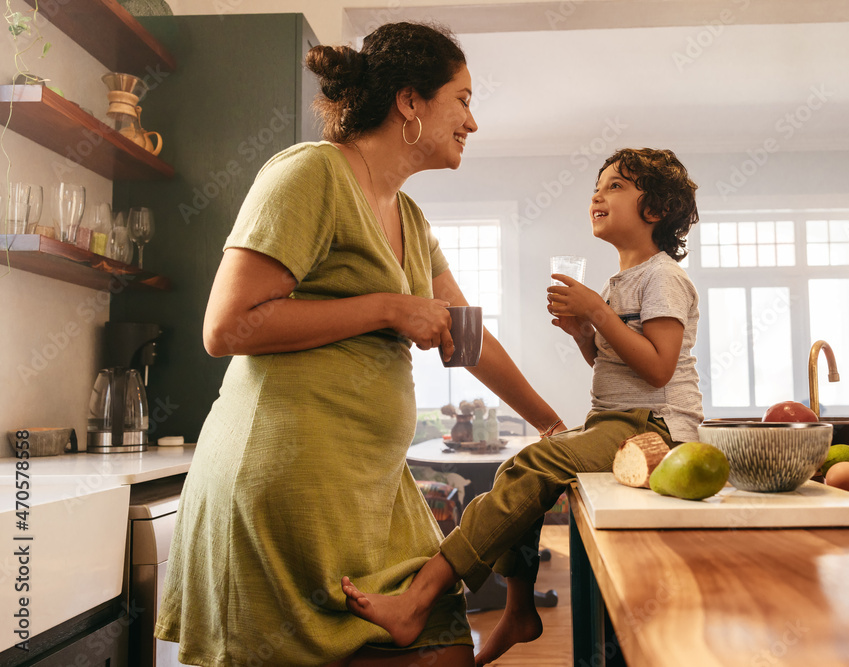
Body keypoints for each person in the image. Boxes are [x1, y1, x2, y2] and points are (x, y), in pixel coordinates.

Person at [154, 22, 564, 667]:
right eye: (462, 99)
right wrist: (387, 307)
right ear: (410, 100)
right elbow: (226, 327)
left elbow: (467, 338)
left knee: (444, 650)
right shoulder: (309, 173)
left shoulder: (410, 217)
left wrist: (549, 422)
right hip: (283, 481)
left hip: (370, 487)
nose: (472, 122)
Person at [342, 147, 705, 665]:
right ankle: (518, 607)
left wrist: (598, 315)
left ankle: (420, 598)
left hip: (657, 429)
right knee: (520, 465)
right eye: (597, 187)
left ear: (656, 210)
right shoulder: (618, 281)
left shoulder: (662, 276)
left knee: (536, 461)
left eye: (617, 186)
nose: (598, 194)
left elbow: (658, 369)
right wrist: (585, 333)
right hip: (616, 419)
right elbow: (620, 369)